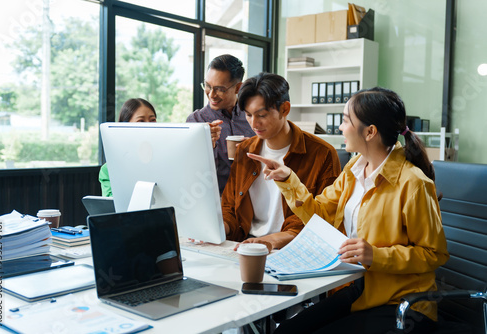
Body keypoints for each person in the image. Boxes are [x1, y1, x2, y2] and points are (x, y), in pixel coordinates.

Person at [248, 87, 450, 333]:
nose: (340, 128)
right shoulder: (355, 167)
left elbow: (434, 254)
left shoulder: (414, 183)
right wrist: (289, 179)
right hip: (360, 289)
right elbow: (320, 213)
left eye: (345, 121)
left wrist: (376, 255)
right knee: (286, 331)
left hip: (402, 302)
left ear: (370, 132)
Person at [222, 72, 340, 251]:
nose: (254, 124)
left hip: (294, 248)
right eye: (248, 115)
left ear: (285, 109)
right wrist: (220, 228)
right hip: (248, 244)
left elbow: (324, 218)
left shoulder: (322, 154)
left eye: (261, 115)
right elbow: (230, 207)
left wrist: (273, 240)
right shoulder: (244, 150)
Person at [186, 54, 256, 195]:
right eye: (207, 86)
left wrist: (256, 147)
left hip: (253, 198)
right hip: (214, 201)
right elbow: (186, 169)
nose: (211, 94)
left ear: (238, 88)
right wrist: (204, 145)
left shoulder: (253, 116)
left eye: (220, 89)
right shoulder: (196, 121)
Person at [99, 98, 157, 197]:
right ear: (124, 126)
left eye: (152, 120)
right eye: (141, 121)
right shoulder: (109, 170)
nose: (149, 125)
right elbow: (113, 207)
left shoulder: (163, 161)